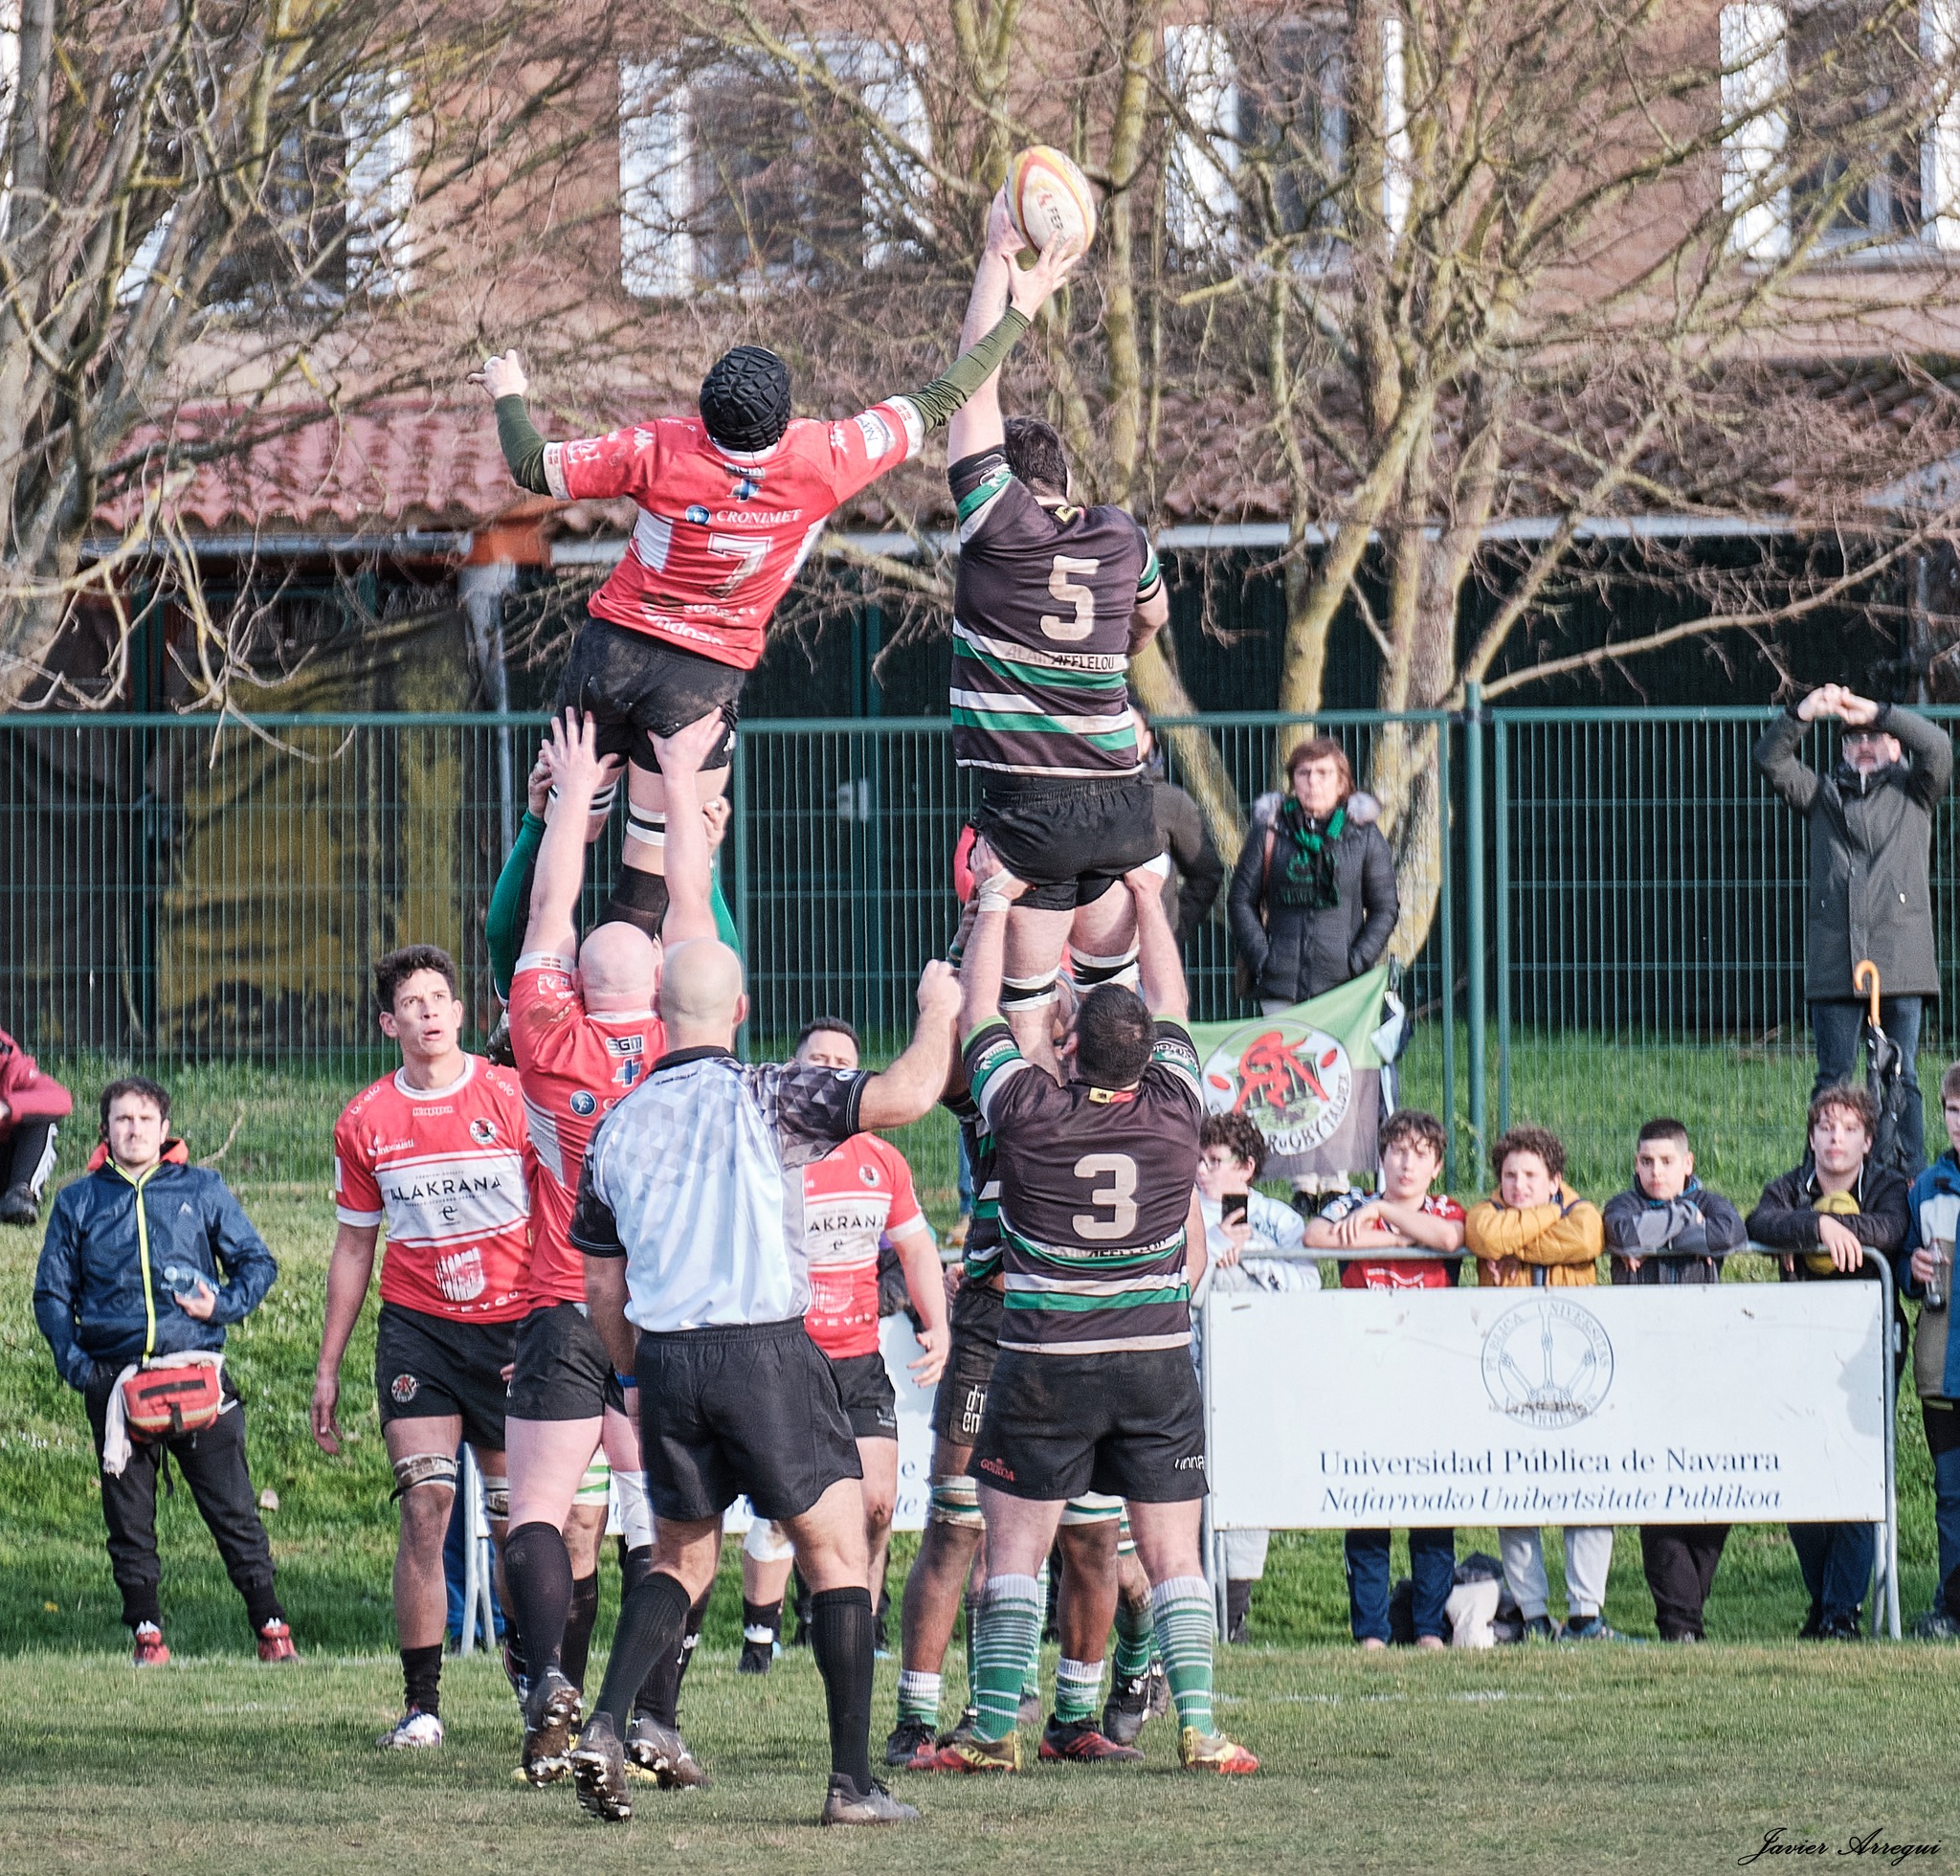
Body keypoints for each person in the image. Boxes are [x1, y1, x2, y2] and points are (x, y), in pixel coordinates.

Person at [566, 718, 963, 1828]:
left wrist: (637, 1373)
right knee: (837, 1547)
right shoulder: (770, 1091)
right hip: (764, 1347)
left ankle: (607, 1722)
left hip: (671, 1360)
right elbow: (901, 1100)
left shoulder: (618, 1128)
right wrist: (937, 1013)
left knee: (681, 1556)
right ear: (737, 1014)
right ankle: (851, 1784)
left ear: (655, 1019)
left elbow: (600, 1288)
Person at [473, 223, 1080, 947]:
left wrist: (509, 393)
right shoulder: (825, 457)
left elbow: (532, 466)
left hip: (613, 654)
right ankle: (626, 1026)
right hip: (702, 679)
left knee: (568, 822)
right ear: (783, 417)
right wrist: (1021, 305)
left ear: (707, 414)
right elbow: (951, 391)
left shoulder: (661, 449)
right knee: (650, 864)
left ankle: (524, 1005)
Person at [921, 841, 1257, 1777]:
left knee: (1016, 1551)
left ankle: (991, 1731)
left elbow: (981, 1015)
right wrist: (1147, 897)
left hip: (1044, 1361)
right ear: (1149, 1057)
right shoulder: (1176, 1109)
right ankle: (1197, 1726)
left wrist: (991, 906)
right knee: (1170, 1550)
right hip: (1151, 1359)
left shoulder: (1026, 1107)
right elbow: (1177, 1004)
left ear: (1067, 1047)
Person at [500, 708, 714, 1789]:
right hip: (662, 1313)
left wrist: (574, 798)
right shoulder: (689, 1038)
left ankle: (548, 1682)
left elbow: (547, 906)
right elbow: (687, 899)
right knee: (666, 1523)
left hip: (555, 1297)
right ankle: (649, 1717)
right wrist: (676, 782)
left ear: (581, 985)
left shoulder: (543, 1035)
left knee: (536, 1508)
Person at [885, 961, 1145, 1769]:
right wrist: (951, 996)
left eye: (1057, 1017)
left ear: (1075, 1043)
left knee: (1093, 1537)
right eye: (1032, 1012)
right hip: (997, 1326)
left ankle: (1074, 1715)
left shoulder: (1122, 1101)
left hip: (1082, 1328)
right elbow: (940, 1071)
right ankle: (916, 1720)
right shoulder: (1000, 1092)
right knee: (958, 1524)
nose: (1045, 1028)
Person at [944, 188, 1170, 1076]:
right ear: (1068, 480)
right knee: (1116, 1005)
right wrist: (1109, 660)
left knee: (1028, 1004)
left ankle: (1034, 1171)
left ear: (1002, 473)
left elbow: (971, 383)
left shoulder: (993, 521)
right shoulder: (1120, 534)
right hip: (1120, 795)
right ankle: (1132, 1136)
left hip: (1030, 805)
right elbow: (1149, 617)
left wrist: (998, 266)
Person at [313, 945, 532, 1749]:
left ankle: (537, 1685)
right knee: (426, 1506)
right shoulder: (365, 1119)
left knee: (519, 1524)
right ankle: (423, 1706)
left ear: (462, 1014)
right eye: (413, 1002)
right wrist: (328, 1368)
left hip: (512, 1330)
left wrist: (547, 1323)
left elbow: (559, 1218)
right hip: (419, 1333)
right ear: (388, 1022)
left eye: (441, 997)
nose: (430, 1012)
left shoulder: (510, 1095)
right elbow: (352, 1250)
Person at [33, 1076, 292, 1664]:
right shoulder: (78, 1201)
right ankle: (147, 1635)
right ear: (105, 1130)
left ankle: (273, 1629)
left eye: (145, 1120)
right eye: (122, 1120)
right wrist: (80, 1369)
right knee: (129, 1521)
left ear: (165, 1129)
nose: (134, 1130)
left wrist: (221, 1306)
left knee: (235, 1512)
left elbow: (257, 1261)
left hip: (196, 1374)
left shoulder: (202, 1188)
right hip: (117, 1383)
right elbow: (51, 1294)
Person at [738, 1015, 948, 1673]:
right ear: (793, 1073)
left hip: (858, 1360)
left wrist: (936, 1321)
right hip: (786, 1356)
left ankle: (864, 1619)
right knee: (784, 1508)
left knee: (878, 1503)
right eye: (817, 1057)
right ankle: (760, 1641)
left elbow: (915, 1247)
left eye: (842, 1059)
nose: (829, 1066)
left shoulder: (882, 1158)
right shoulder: (769, 1155)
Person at [1754, 684, 1952, 1177]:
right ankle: (1819, 1181)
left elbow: (1940, 747)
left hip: (1900, 964)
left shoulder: (1916, 791)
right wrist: (1804, 712)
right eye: (1854, 737)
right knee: (1833, 1081)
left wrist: (1879, 710)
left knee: (1900, 1079)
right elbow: (1769, 759)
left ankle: (1908, 1183)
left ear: (1895, 745)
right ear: (1842, 748)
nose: (1864, 744)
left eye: (1876, 736)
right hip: (1834, 962)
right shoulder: (1821, 795)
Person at [1748, 1083, 1911, 1638]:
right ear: (1812, 1136)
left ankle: (1844, 1611)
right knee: (1802, 1474)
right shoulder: (1789, 1186)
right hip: (1799, 1347)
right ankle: (1821, 1601)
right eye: (1824, 1127)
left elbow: (1889, 1229)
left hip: (1866, 1348)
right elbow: (1759, 1223)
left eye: (1847, 1129)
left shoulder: (1889, 1184)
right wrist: (1816, 1225)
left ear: (1867, 1141)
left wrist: (1841, 1229)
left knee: (1854, 1473)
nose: (1834, 1138)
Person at [1303, 1108, 1465, 1651]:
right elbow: (1316, 1237)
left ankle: (1428, 1628)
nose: (1407, 1163)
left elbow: (1447, 1237)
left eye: (1420, 1154)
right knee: (1368, 1502)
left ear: (1436, 1166)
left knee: (1431, 1507)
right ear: (1381, 1157)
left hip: (1430, 1381)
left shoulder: (1439, 1206)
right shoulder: (1350, 1204)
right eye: (1398, 1151)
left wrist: (1382, 1216)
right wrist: (1374, 1213)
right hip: (1364, 1378)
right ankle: (1370, 1631)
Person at [1465, 1126, 1619, 1641]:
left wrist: (1523, 1241)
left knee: (1588, 1491)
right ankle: (1532, 1614)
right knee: (1517, 1494)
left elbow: (1584, 1238)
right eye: (1509, 1175)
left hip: (1577, 1375)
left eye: (1531, 1175)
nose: (1518, 1185)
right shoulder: (1488, 1211)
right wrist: (1545, 1219)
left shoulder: (1583, 1211)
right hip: (1510, 1377)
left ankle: (1585, 1613)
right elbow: (1485, 1237)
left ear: (1556, 1178)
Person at [1600, 1118, 1748, 1642]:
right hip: (1643, 1370)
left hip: (1706, 1368)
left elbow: (1729, 1233)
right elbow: (1623, 1233)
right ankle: (1680, 1624)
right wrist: (1690, 1227)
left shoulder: (1717, 1201)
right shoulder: (1620, 1204)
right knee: (1657, 1489)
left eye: (1666, 1162)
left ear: (1688, 1163)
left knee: (1715, 1487)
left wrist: (1667, 1231)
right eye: (1645, 1161)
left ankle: (1687, 1611)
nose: (1655, 1171)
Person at [1193, 1110, 1323, 1643]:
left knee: (1248, 1491)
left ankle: (1235, 1610)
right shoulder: (1175, 1213)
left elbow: (1306, 1286)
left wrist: (1251, 1256)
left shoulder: (1278, 1219)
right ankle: (1191, 1607)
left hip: (1258, 1376)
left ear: (1246, 1167)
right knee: (1190, 1489)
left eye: (1216, 1161)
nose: (1203, 1170)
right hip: (1192, 1370)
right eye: (1198, 1159)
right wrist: (1217, 1247)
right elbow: (1174, 1286)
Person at [1228, 736, 1397, 1015]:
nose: (1312, 782)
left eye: (1323, 773)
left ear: (1342, 782)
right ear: (1293, 781)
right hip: (1279, 988)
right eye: (1303, 773)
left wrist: (1356, 961)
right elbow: (1240, 900)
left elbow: (1385, 908)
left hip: (1344, 990)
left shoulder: (1364, 835)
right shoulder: (1269, 831)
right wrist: (1262, 958)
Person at [1904, 1063, 1960, 1639]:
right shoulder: (1926, 1187)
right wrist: (1911, 1269)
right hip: (1941, 1366)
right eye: (1953, 1111)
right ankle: (1951, 1607)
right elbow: (1900, 1264)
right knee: (1951, 1494)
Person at [1134, 710, 1224, 961]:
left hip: (1152, 955)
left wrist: (1174, 925)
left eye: (1130, 731)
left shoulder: (1171, 802)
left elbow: (1207, 872)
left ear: (1146, 742)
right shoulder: (1081, 800)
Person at [0, 1023, 71, 1225]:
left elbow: (61, 1099)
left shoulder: (13, 1067)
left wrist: (7, 1108)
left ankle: (20, 1195)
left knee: (42, 1119)